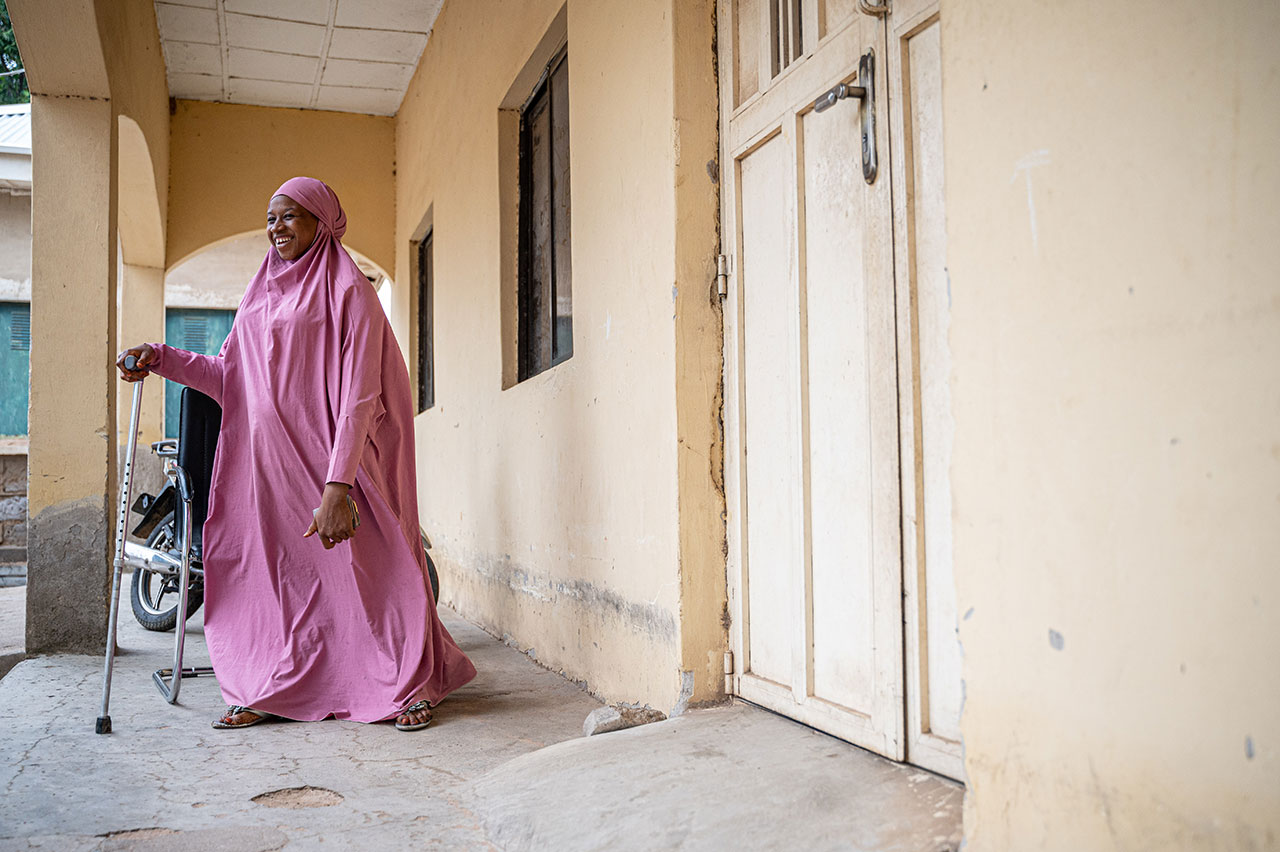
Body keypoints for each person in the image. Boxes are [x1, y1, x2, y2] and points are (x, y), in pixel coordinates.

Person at [117, 177, 476, 731]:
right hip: (269, 468)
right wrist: (160, 357)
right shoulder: (259, 292)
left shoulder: (349, 290)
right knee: (282, 585)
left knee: (377, 575)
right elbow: (228, 375)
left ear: (322, 221)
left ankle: (406, 685)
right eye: (270, 218)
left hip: (336, 463)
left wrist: (340, 485)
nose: (276, 228)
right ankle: (271, 687)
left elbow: (361, 395)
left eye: (289, 216)